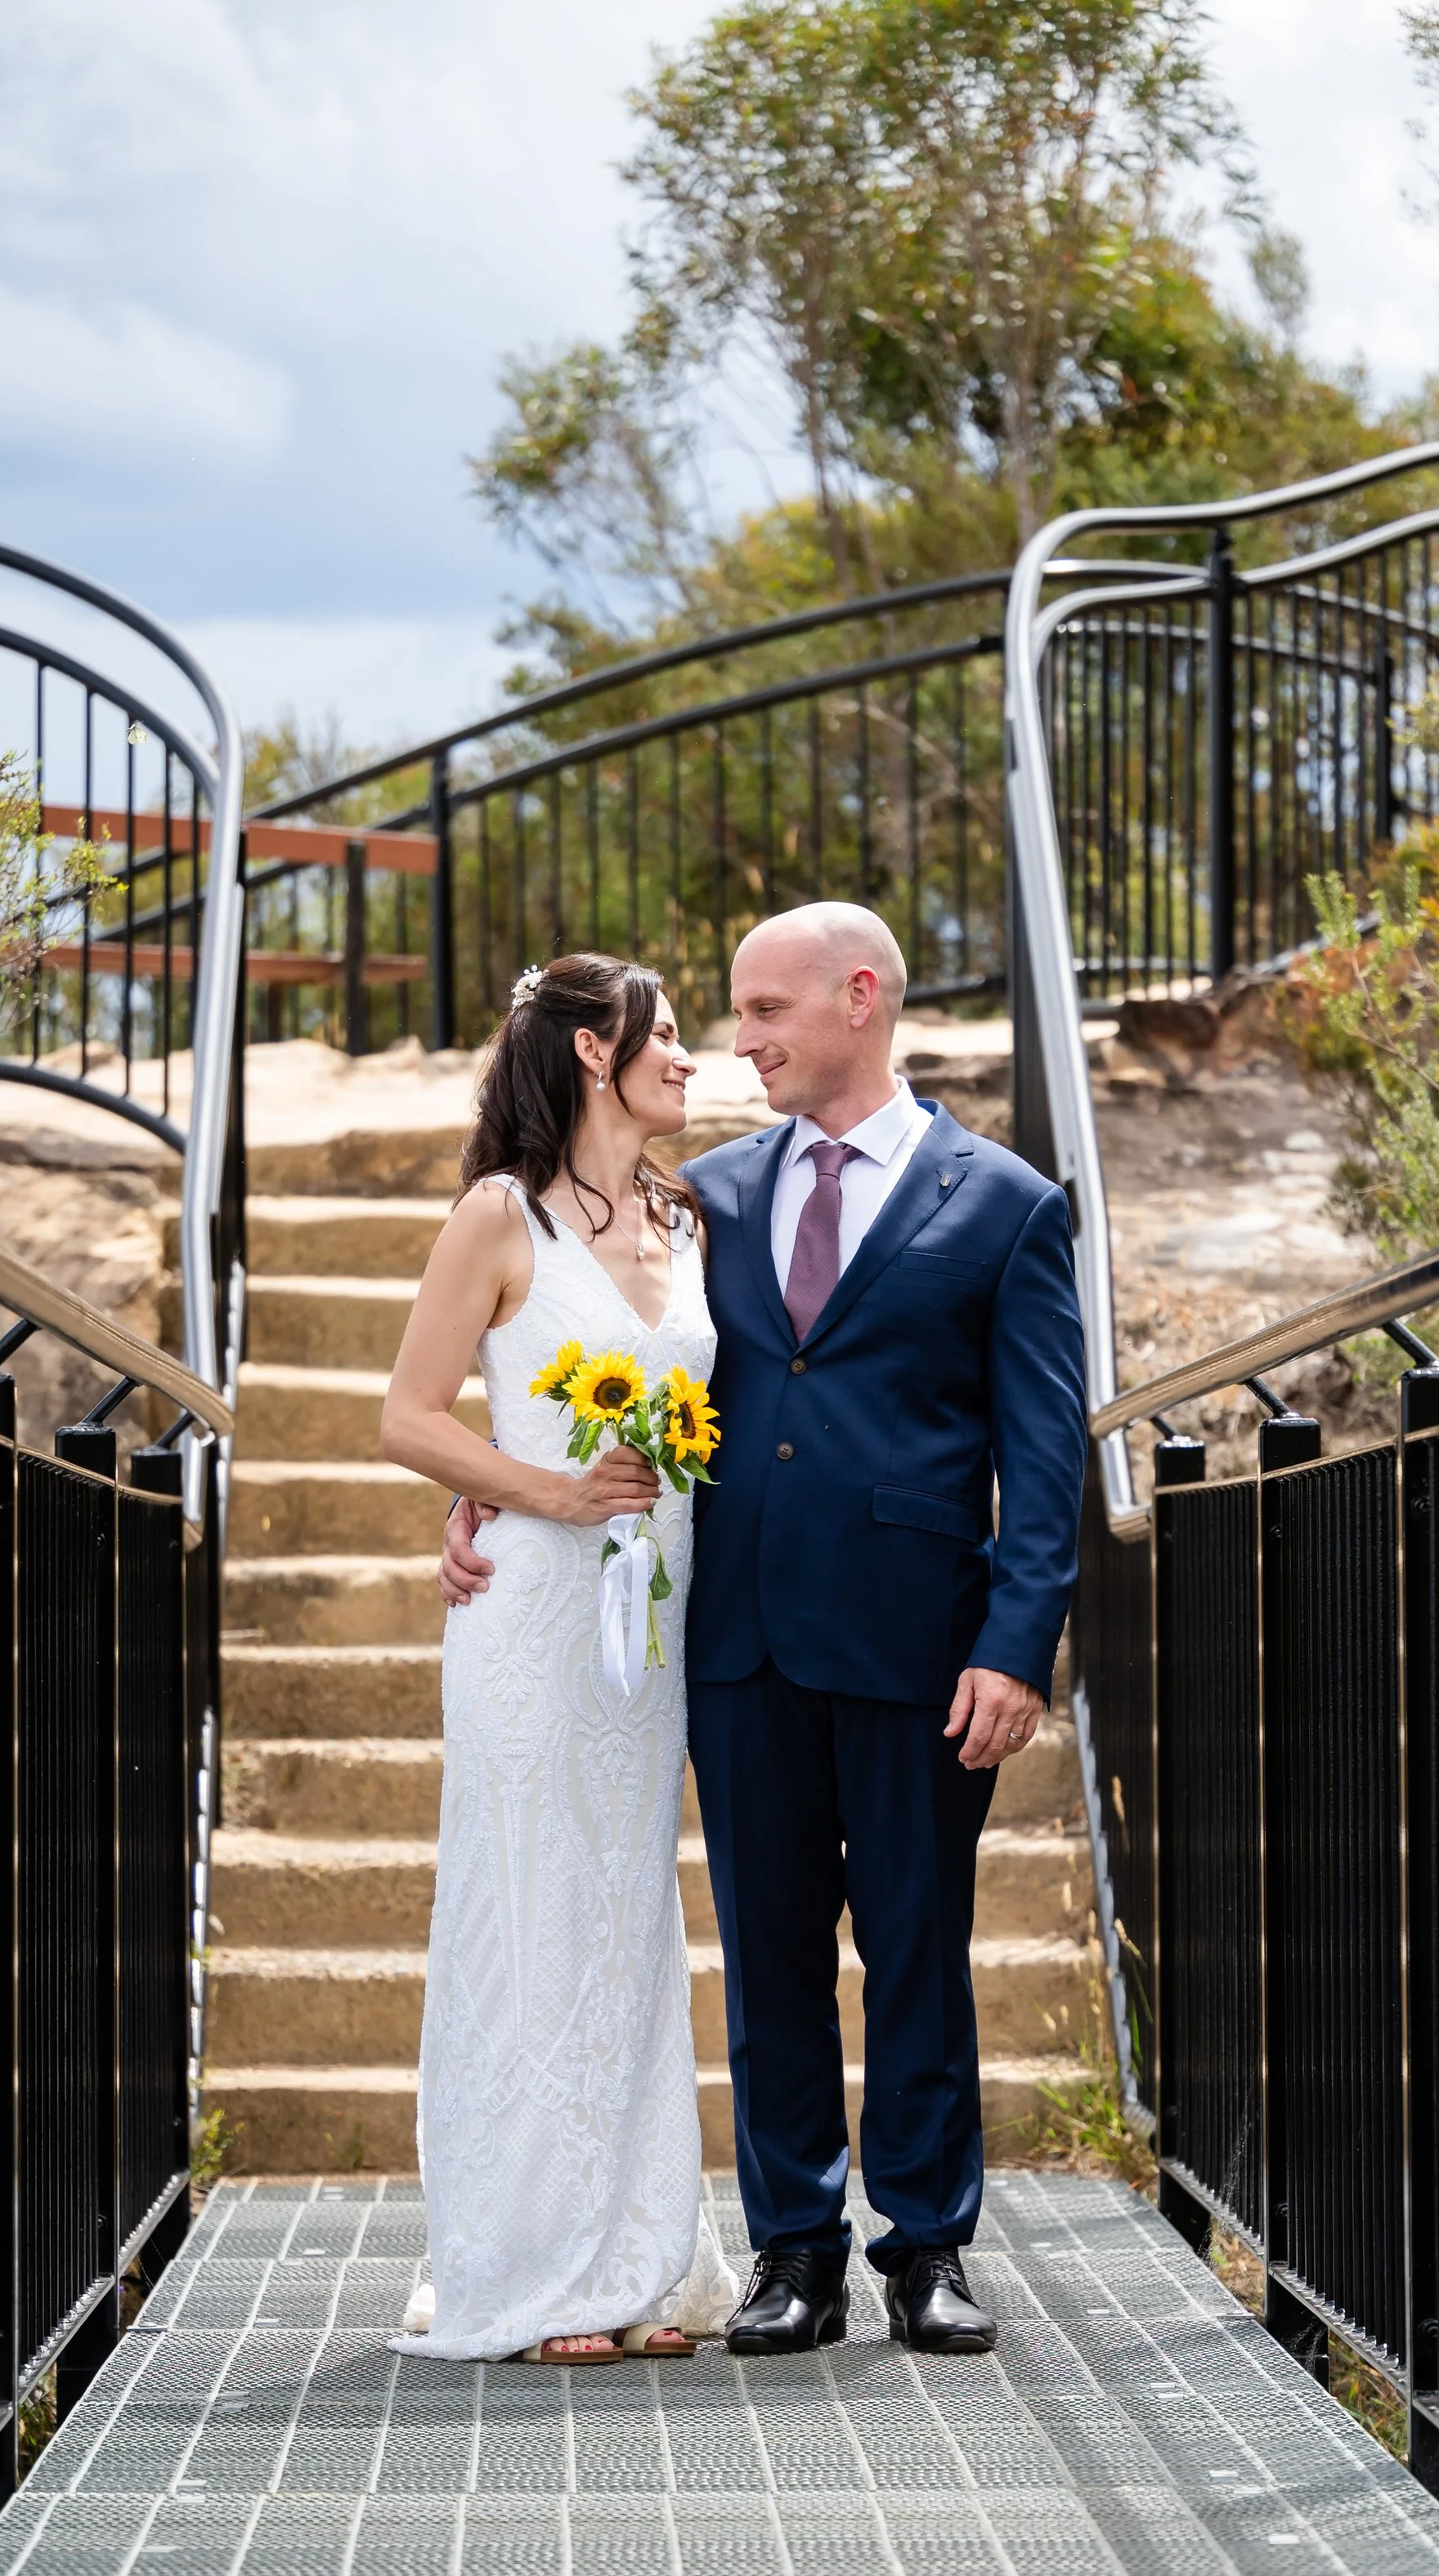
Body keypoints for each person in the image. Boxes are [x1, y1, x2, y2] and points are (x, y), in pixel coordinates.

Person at [443, 902, 1087, 2355]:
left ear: (860, 998)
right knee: (772, 1947)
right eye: (731, 1013)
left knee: (919, 1944)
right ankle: (793, 2245)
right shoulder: (702, 1199)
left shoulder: (1006, 1203)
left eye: (767, 1010)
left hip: (925, 1643)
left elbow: (1046, 1459)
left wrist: (1015, 1641)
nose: (743, 1040)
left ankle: (927, 2244)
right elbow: (582, 1354)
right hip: (733, 1638)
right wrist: (505, 1494)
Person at [381, 952, 735, 2365]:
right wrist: (530, 1492)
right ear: (596, 1050)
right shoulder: (497, 1215)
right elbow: (409, 1419)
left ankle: (641, 2255)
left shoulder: (684, 1211)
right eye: (668, 1035)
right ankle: (529, 2269)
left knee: (631, 1918)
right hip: (531, 1615)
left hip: (653, 1633)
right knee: (528, 1915)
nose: (690, 1059)